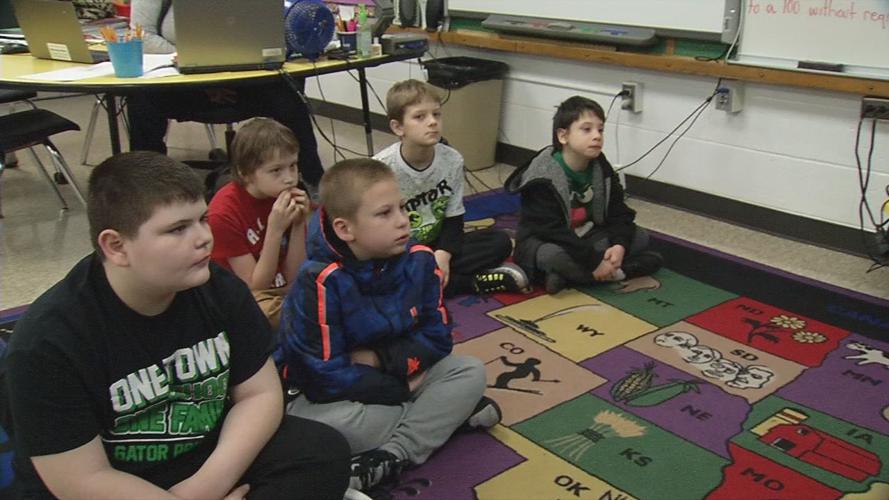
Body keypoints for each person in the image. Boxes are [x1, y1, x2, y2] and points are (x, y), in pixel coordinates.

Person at [4, 152, 350, 499]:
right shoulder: (48, 342)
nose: (203, 237)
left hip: (198, 463)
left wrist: (204, 487)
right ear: (116, 246)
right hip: (109, 483)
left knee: (321, 451)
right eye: (177, 229)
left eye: (202, 219)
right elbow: (83, 480)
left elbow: (260, 395)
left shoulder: (218, 288)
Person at [277, 159, 501, 494]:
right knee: (330, 428)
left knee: (470, 371)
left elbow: (439, 339)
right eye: (384, 214)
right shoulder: (319, 281)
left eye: (401, 207)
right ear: (344, 229)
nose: (402, 221)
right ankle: (441, 420)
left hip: (398, 374)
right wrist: (402, 390)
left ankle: (394, 455)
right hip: (331, 398)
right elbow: (325, 378)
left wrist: (380, 359)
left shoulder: (421, 260)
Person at [126, 0, 325, 190]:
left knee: (288, 93)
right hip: (182, 81)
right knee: (142, 98)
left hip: (242, 77)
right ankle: (148, 186)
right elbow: (143, 36)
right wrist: (197, 68)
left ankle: (313, 181)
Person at [374, 79, 529, 297]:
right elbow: (377, 231)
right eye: (420, 117)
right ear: (398, 127)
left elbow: (453, 217)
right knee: (380, 273)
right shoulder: (381, 169)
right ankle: (470, 283)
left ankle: (427, 280)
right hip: (401, 248)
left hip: (437, 244)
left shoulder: (452, 159)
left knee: (500, 242)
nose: (432, 122)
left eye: (436, 114)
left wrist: (444, 254)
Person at [504, 95, 663, 294]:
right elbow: (550, 230)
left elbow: (618, 212)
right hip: (548, 240)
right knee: (552, 256)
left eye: (600, 129)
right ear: (563, 136)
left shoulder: (600, 166)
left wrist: (619, 245)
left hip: (588, 235)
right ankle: (619, 273)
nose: (597, 136)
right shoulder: (542, 175)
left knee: (640, 237)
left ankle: (566, 277)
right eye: (586, 129)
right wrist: (595, 261)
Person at [207, 118, 310, 331]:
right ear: (246, 173)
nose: (290, 178)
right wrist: (275, 229)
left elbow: (297, 273)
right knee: (269, 313)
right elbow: (256, 286)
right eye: (276, 171)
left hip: (284, 288)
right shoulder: (224, 213)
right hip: (246, 294)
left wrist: (300, 224)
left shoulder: (283, 196)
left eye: (293, 166)